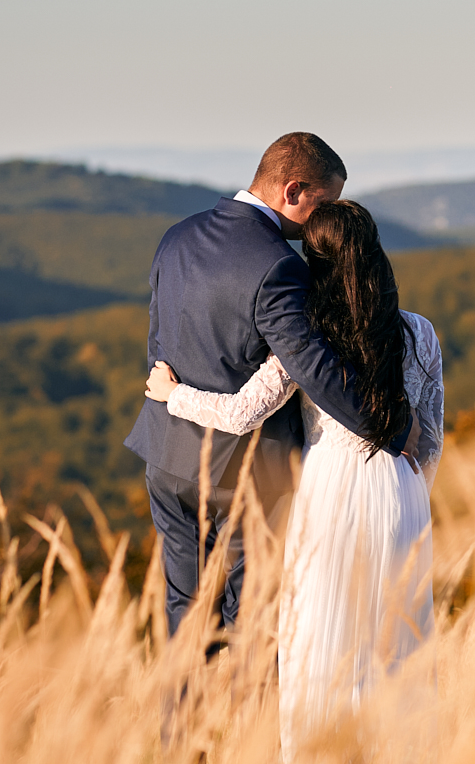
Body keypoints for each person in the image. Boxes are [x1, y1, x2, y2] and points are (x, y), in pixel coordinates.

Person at [144, 200, 443, 757]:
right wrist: (407, 497)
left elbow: (240, 413)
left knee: (322, 641)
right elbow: (431, 438)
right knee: (397, 633)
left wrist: (172, 394)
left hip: (328, 492)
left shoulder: (311, 336)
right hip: (400, 494)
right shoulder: (420, 334)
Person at [124, 133, 417, 639]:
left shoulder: (177, 236)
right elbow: (313, 367)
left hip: (168, 457)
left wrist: (169, 398)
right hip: (243, 471)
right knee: (250, 621)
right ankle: (244, 719)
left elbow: (161, 339)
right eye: (322, 205)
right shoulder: (280, 266)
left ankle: (182, 721)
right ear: (294, 190)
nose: (323, 221)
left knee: (184, 612)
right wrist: (387, 429)